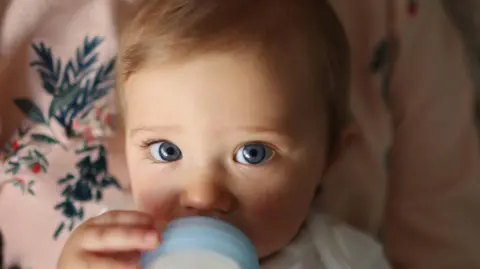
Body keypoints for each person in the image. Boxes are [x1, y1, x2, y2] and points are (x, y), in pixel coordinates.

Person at [56, 0, 391, 268]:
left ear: (328, 157)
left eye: (253, 153)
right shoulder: (115, 253)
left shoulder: (345, 258)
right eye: (166, 151)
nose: (202, 196)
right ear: (124, 148)